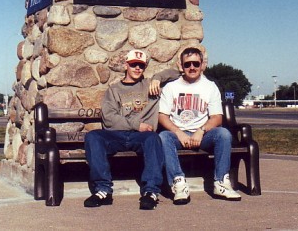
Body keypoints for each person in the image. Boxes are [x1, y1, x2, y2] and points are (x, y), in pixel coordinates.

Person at [84, 49, 176, 210]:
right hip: (116, 135)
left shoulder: (149, 85)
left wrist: (157, 78)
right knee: (93, 136)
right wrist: (135, 125)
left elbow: (177, 74)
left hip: (141, 137)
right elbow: (109, 118)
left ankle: (150, 192)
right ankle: (103, 190)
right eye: (133, 65)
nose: (137, 68)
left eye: (141, 65)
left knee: (154, 138)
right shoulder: (114, 90)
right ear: (126, 65)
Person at [157, 46, 241, 205]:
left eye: (196, 63)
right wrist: (178, 132)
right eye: (187, 64)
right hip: (178, 134)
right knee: (163, 137)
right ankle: (179, 184)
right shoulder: (171, 87)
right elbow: (162, 116)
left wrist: (200, 131)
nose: (192, 67)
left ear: (202, 65)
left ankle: (221, 182)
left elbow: (217, 117)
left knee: (223, 134)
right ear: (181, 66)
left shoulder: (210, 86)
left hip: (202, 135)